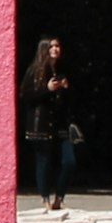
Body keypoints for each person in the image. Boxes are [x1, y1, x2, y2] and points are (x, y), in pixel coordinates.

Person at [21, 37, 79, 211]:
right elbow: (26, 95)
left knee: (69, 161)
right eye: (52, 46)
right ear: (44, 49)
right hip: (41, 124)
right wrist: (47, 89)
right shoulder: (35, 70)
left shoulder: (62, 69)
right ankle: (45, 198)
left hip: (61, 123)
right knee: (43, 161)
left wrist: (66, 88)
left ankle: (59, 197)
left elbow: (71, 99)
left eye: (57, 46)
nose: (56, 49)